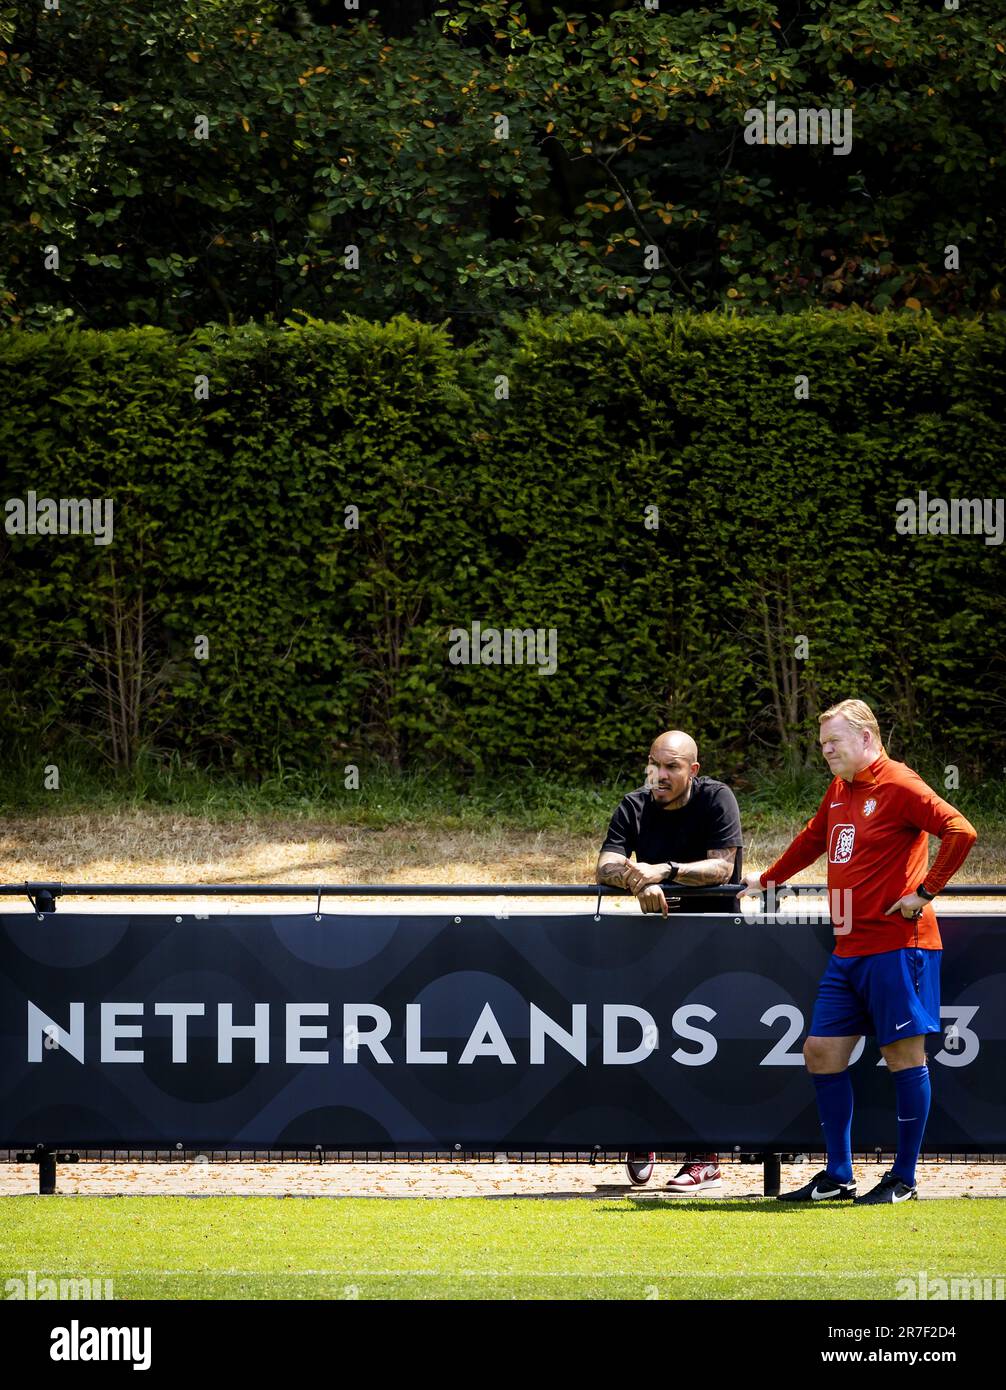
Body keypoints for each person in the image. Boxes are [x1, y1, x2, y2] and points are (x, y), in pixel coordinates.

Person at [741, 698, 977, 1204]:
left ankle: (904, 1179)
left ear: (867, 738)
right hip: (848, 947)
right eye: (822, 744)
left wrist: (925, 892)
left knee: (902, 1056)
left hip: (899, 945)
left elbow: (961, 830)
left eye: (834, 742)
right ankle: (839, 1174)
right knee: (821, 1051)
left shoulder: (900, 784)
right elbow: (812, 840)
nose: (826, 751)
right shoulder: (840, 789)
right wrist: (768, 882)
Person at [597, 729, 742, 1192]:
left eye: (672, 767)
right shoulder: (634, 804)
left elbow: (723, 868)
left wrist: (667, 871)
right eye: (655, 765)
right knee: (643, 1039)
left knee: (703, 1049)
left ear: (692, 770)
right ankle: (646, 1135)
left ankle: (704, 1158)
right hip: (652, 942)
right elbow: (605, 865)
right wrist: (639, 882)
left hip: (711, 940)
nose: (660, 775)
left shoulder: (718, 799)